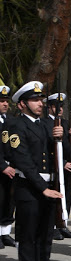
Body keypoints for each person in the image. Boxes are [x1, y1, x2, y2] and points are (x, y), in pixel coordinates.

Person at [9, 81, 65, 261]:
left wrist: (60, 137)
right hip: (29, 188)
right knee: (28, 234)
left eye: (40, 99)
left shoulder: (45, 124)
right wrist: (42, 188)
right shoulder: (16, 126)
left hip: (48, 186)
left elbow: (58, 156)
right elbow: (23, 161)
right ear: (22, 104)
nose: (40, 103)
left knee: (45, 234)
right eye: (34, 100)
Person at [45, 93, 71, 239]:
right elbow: (47, 147)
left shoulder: (65, 123)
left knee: (67, 196)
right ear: (50, 107)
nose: (60, 109)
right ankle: (52, 225)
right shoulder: (45, 123)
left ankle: (63, 223)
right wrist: (62, 163)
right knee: (55, 196)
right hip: (55, 166)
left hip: (68, 166)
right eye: (56, 106)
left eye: (61, 106)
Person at [0, 85, 16, 248]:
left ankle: (5, 232)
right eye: (1, 101)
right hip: (2, 168)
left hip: (11, 169)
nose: (5, 104)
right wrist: (3, 166)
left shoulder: (11, 120)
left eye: (6, 101)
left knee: (9, 201)